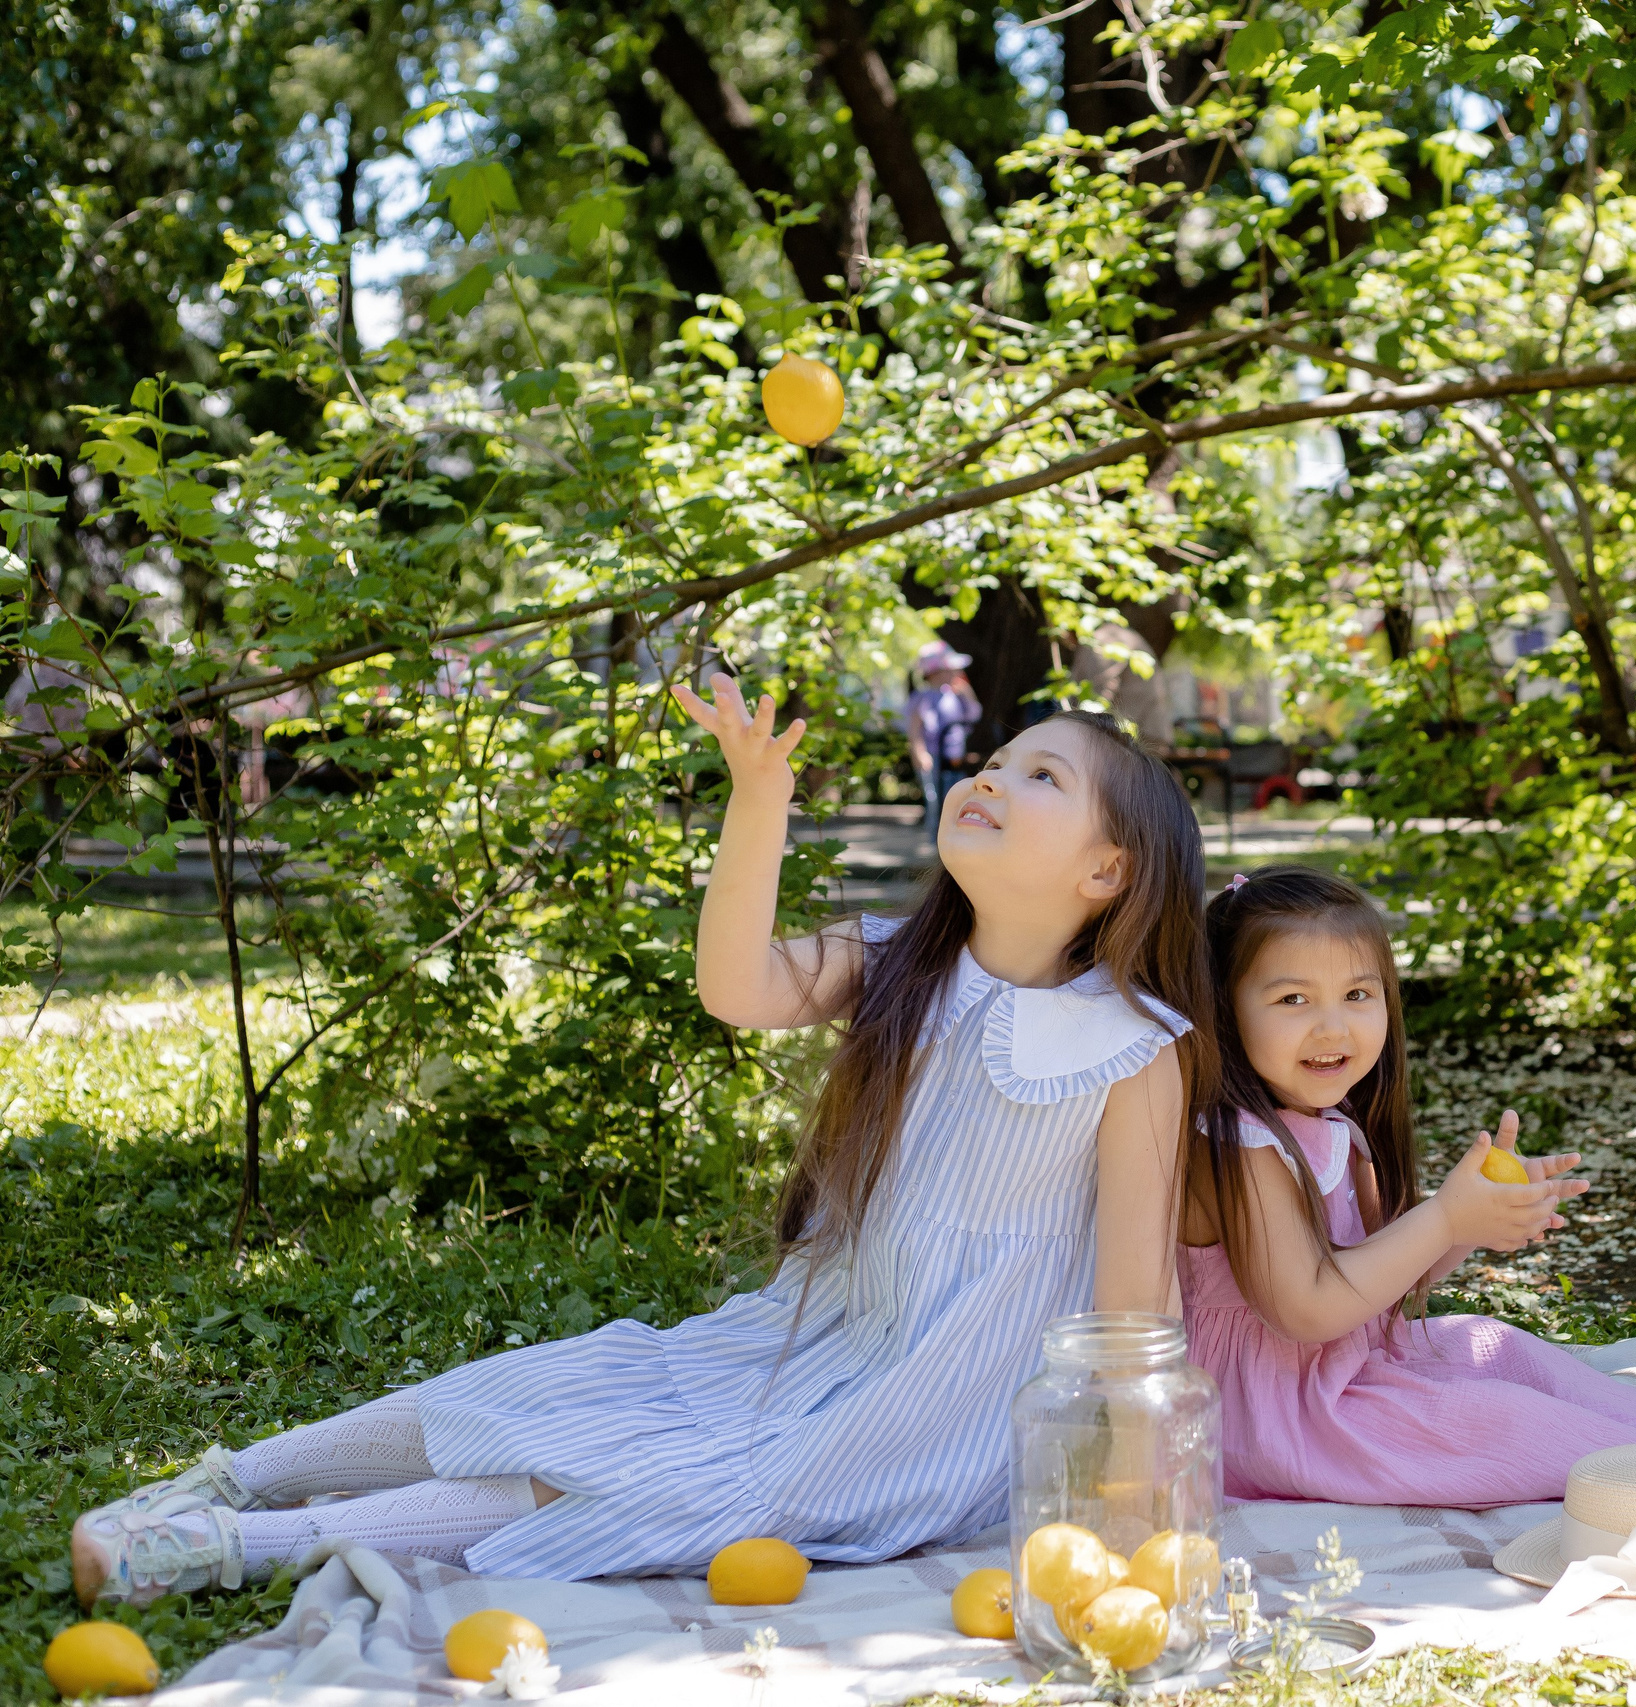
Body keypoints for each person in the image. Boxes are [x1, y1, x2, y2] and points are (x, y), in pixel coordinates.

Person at [69, 679, 1211, 1607]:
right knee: (552, 1388)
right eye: (995, 759)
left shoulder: (1131, 1047)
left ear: (1106, 871)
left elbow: (1134, 1308)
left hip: (923, 1413)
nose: (991, 776)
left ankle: (233, 1547)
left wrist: (1123, 1511)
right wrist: (758, 799)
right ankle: (227, 1479)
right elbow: (735, 985)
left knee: (650, 1485)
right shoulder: (892, 961)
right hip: (808, 1337)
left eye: (1041, 775)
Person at [1179, 867, 1636, 1507]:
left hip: (1341, 1373)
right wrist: (1444, 1219)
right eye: (1292, 1000)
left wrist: (1474, 1219)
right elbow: (1308, 1310)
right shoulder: (1237, 1144)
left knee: (1504, 1352)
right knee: (1494, 1421)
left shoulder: (1333, 1127)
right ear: (1224, 1010)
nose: (1333, 1028)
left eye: (1357, 994)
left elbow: (1385, 1280)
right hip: (1276, 1418)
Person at [904, 639, 980, 824]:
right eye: (950, 669)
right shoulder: (922, 697)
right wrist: (920, 753)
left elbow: (974, 714)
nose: (956, 673)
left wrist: (967, 693)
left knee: (954, 799)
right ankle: (935, 837)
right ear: (935, 672)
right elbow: (914, 730)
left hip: (954, 756)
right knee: (935, 802)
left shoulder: (955, 695)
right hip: (933, 756)